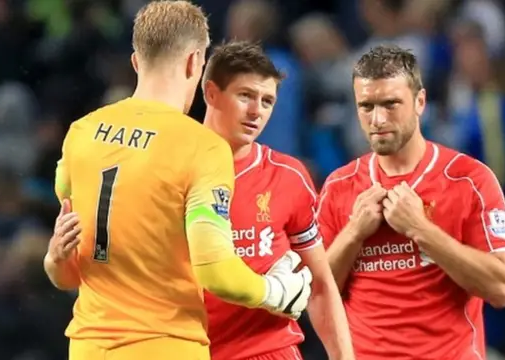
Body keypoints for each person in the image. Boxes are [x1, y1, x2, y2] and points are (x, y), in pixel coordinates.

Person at [43, 2, 313, 360]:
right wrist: (275, 292)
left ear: (136, 62)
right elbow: (215, 270)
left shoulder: (82, 132)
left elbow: (69, 262)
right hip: (165, 345)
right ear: (194, 63)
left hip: (88, 346)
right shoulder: (201, 148)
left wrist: (53, 261)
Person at [318, 45, 505, 359]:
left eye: (391, 104)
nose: (378, 119)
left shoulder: (469, 180)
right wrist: (353, 234)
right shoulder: (339, 186)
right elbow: (313, 296)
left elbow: (503, 287)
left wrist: (421, 229)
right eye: (366, 106)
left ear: (420, 102)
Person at [201, 42, 354, 360]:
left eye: (267, 101)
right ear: (212, 93)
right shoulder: (170, 171)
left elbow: (322, 284)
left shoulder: (289, 176)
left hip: (270, 350)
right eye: (245, 96)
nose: (257, 111)